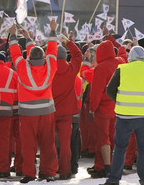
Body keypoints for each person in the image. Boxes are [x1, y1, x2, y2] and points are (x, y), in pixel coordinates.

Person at [101, 46, 144, 185]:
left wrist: (120, 101)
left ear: (130, 57)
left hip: (124, 116)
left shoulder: (122, 69)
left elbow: (110, 90)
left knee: (119, 148)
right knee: (143, 150)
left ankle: (114, 179)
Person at [8, 21, 59, 183]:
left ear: (28, 57)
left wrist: (14, 36)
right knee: (48, 143)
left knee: (28, 146)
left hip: (28, 113)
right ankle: (47, 172)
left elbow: (16, 54)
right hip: (47, 112)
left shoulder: (23, 67)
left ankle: (29, 173)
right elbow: (51, 48)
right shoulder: (51, 65)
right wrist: (52, 30)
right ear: (43, 57)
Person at [88, 39, 126, 178]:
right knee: (112, 137)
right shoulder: (121, 62)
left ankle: (106, 167)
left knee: (103, 138)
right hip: (118, 107)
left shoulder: (101, 68)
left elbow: (96, 91)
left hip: (103, 108)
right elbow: (123, 52)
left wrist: (92, 108)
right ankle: (102, 165)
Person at [52, 36, 83, 180]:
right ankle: (65, 170)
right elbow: (78, 55)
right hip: (66, 112)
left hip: (50, 111)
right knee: (65, 144)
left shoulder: (48, 69)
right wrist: (68, 42)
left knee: (49, 143)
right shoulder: (71, 69)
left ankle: (50, 169)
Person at [0, 50, 17, 178]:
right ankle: (4, 168)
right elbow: (17, 92)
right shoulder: (13, 73)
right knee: (4, 140)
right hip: (8, 110)